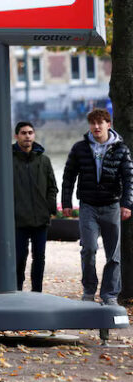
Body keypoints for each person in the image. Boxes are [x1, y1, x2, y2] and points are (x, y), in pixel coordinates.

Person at [61, 108, 133, 305]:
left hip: (111, 206)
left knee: (113, 254)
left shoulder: (121, 149)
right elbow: (68, 176)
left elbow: (129, 179)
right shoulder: (80, 148)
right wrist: (67, 202)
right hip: (88, 206)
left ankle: (109, 295)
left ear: (108, 125)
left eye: (100, 122)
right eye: (93, 123)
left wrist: (127, 204)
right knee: (89, 249)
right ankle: (89, 290)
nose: (96, 126)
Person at [12, 122, 58, 292]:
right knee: (19, 258)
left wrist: (50, 209)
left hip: (40, 219)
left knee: (39, 258)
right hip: (17, 220)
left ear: (34, 135)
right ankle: (16, 291)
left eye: (30, 133)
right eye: (23, 133)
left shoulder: (44, 160)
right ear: (16, 136)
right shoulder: (8, 159)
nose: (27, 136)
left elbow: (52, 187)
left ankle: (37, 292)